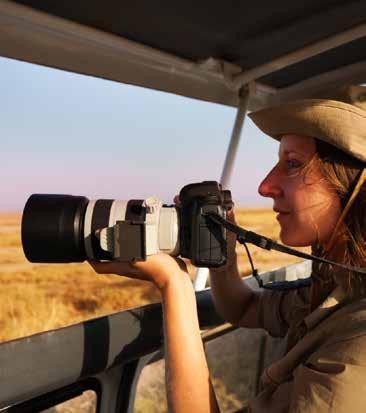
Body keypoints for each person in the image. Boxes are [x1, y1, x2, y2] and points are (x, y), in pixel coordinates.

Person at [91, 85, 366, 412]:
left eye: (292, 164)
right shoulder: (342, 282)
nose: (265, 186)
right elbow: (246, 308)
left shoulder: (356, 354)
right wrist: (222, 256)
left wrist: (174, 283)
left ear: (353, 184)